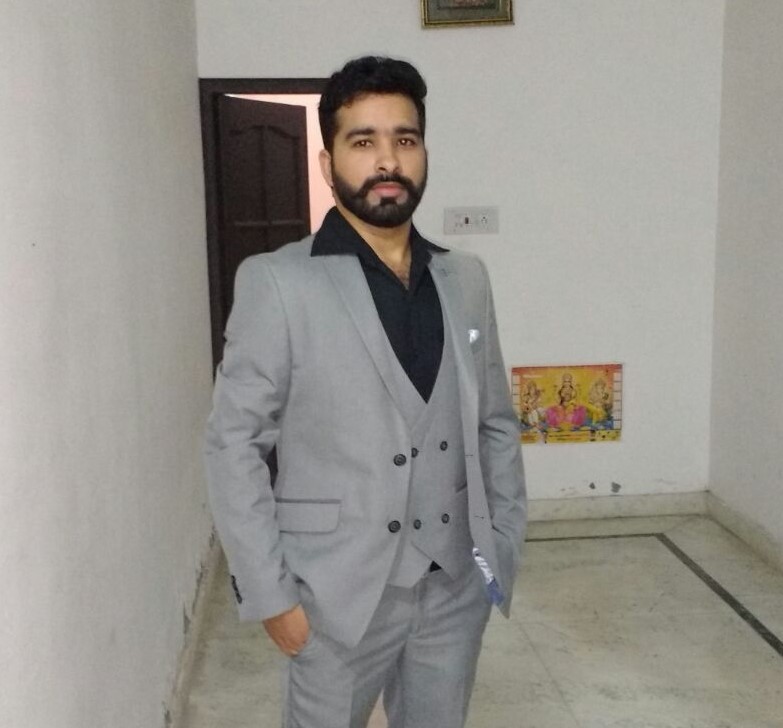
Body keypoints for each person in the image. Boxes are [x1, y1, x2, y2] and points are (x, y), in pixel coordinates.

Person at [205, 55, 526, 728]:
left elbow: (494, 422)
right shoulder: (277, 282)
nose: (387, 160)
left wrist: (501, 543)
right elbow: (234, 443)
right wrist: (270, 593)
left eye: (404, 139)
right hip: (331, 595)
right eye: (363, 141)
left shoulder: (466, 278)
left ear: (423, 153)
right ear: (328, 164)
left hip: (454, 587)